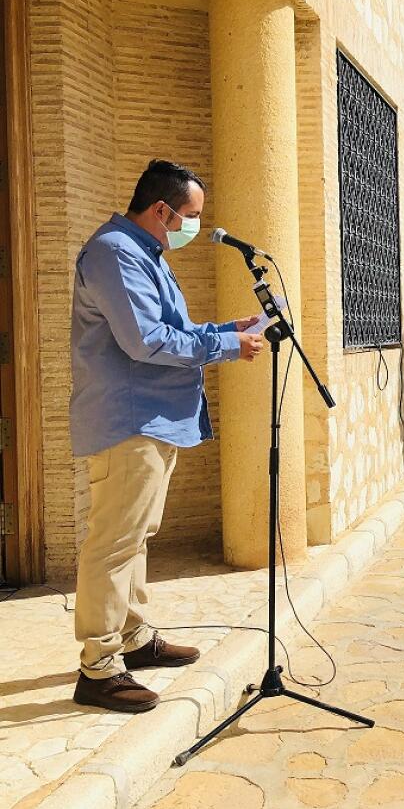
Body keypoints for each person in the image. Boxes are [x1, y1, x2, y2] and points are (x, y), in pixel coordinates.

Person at [70, 160, 264, 713]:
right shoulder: (114, 253)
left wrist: (228, 330)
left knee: (135, 534)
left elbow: (170, 331)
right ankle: (99, 665)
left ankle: (132, 637)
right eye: (191, 217)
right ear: (162, 209)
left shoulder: (144, 254)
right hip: (128, 421)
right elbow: (146, 341)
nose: (193, 227)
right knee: (113, 541)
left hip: (153, 421)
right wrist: (225, 349)